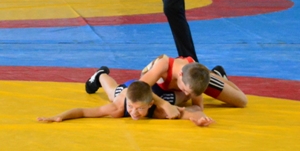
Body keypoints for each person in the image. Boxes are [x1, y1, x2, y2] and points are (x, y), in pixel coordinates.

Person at [37, 66, 214, 126]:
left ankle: (215, 75)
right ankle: (101, 75)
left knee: (181, 98)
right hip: (127, 90)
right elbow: (83, 111)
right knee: (113, 93)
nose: (134, 113)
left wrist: (200, 119)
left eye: (139, 109)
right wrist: (59, 116)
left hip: (149, 90)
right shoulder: (119, 107)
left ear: (150, 105)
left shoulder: (160, 111)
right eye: (131, 108)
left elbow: (192, 113)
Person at [138, 55, 248, 109]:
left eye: (189, 94)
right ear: (180, 75)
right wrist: (164, 104)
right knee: (154, 103)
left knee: (241, 101)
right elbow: (139, 87)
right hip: (160, 88)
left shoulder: (195, 81)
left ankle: (214, 74)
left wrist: (197, 114)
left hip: (194, 77)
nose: (187, 95)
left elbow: (198, 107)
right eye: (185, 90)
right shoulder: (163, 65)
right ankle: (211, 73)